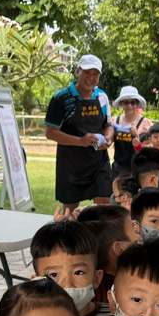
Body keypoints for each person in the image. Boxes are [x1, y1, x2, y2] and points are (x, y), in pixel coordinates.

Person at [45, 55, 115, 212]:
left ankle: (99, 229)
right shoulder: (61, 99)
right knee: (70, 211)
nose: (91, 78)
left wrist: (109, 138)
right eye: (87, 72)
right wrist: (80, 141)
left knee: (103, 204)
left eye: (95, 74)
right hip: (71, 164)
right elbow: (50, 132)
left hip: (98, 161)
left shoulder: (102, 97)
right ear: (77, 72)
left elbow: (108, 125)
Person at [30, 222, 119, 316]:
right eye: (53, 275)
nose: (67, 285)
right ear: (36, 283)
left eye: (78, 272)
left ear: (96, 279)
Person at [76, 204, 140, 303]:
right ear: (120, 249)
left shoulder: (92, 288)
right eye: (135, 231)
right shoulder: (127, 290)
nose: (139, 233)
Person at [111, 86, 151, 178]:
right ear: (121, 103)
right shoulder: (115, 121)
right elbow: (108, 141)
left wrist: (137, 137)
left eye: (133, 102)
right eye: (126, 102)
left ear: (137, 103)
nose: (129, 106)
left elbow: (150, 149)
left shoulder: (145, 123)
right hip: (118, 169)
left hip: (138, 169)